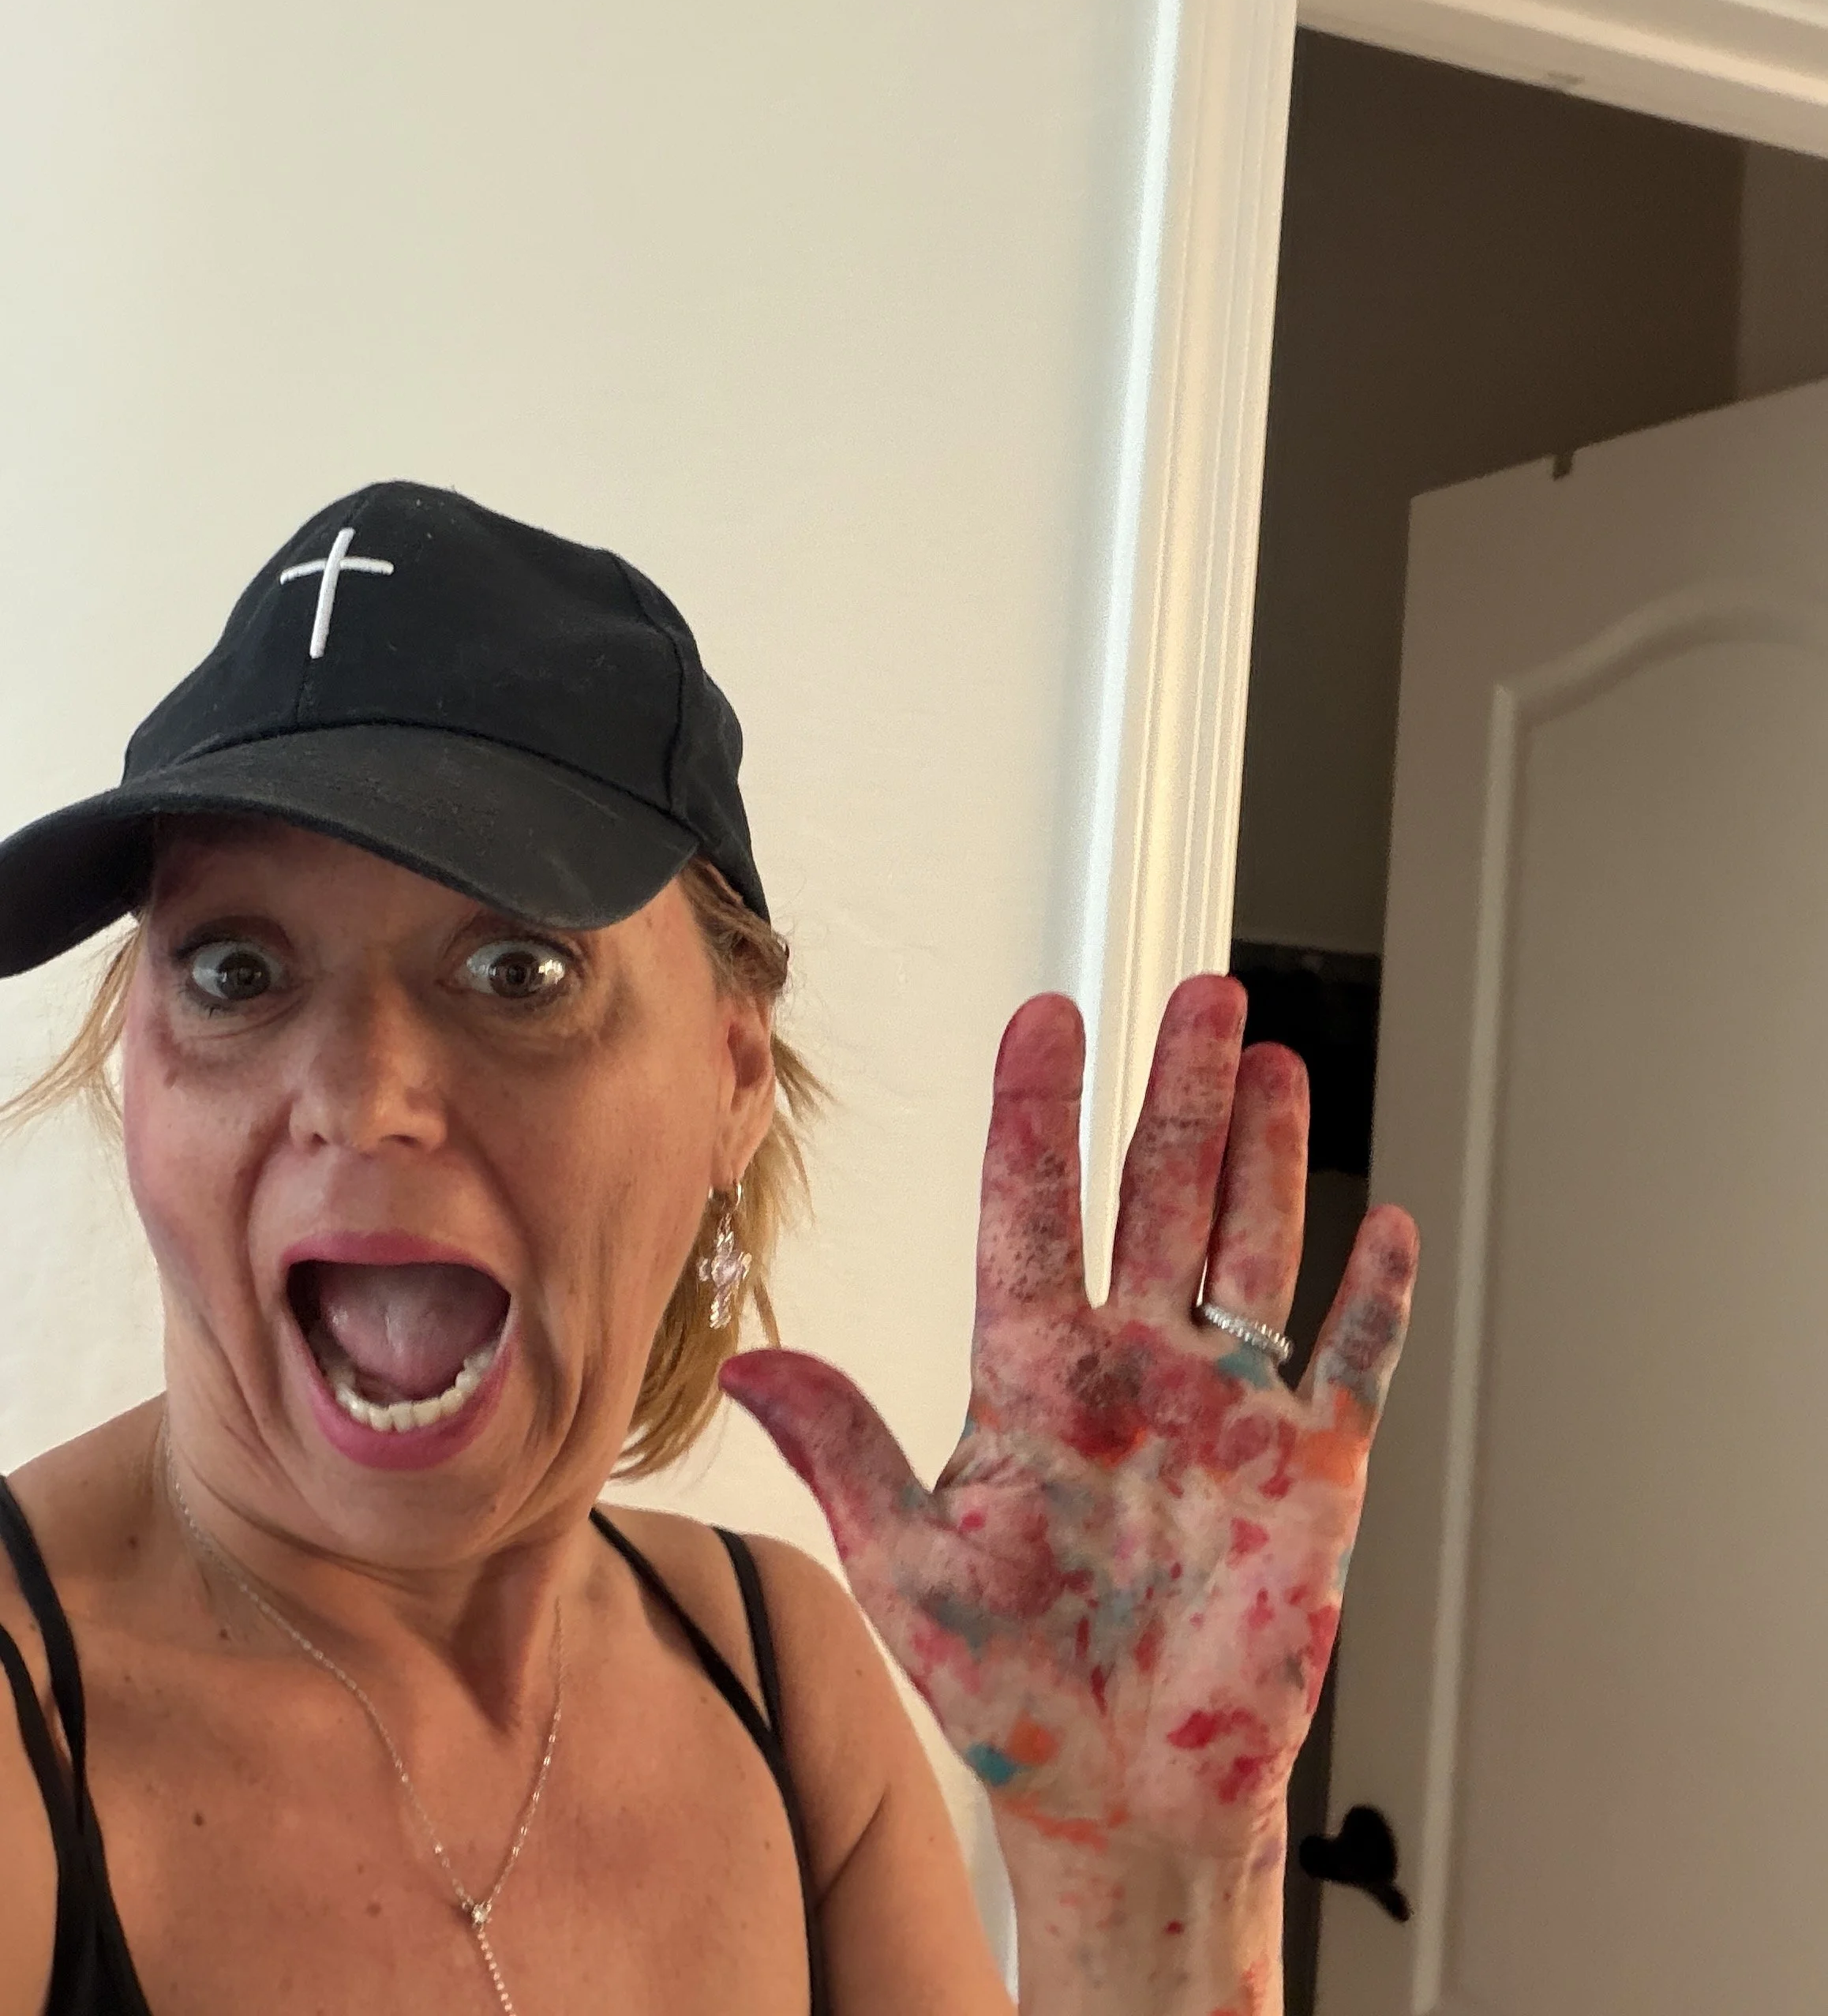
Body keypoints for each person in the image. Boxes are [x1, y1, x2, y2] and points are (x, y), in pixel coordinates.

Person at [0, 481, 1418, 2016]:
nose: (360, 1095)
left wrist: (1153, 1894)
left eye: (517, 968)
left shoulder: (783, 1684)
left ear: (734, 1075)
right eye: (234, 969)